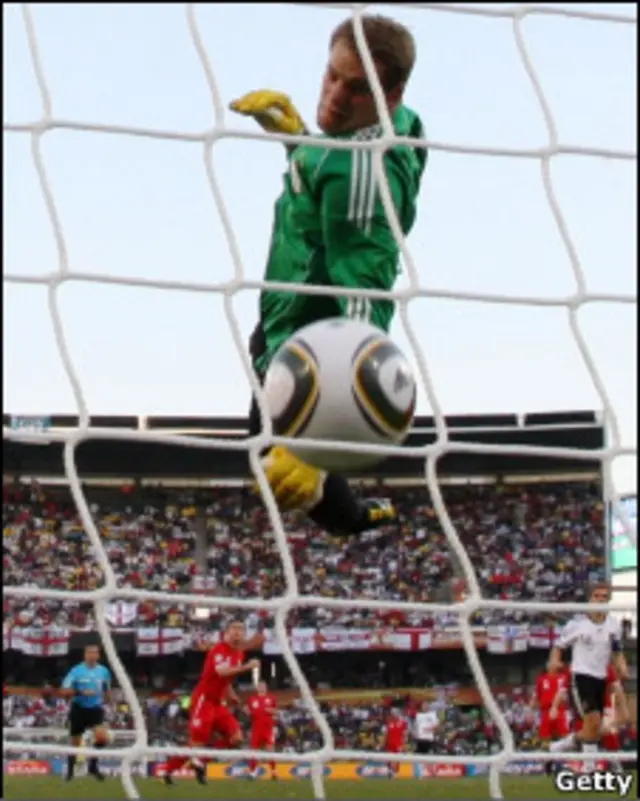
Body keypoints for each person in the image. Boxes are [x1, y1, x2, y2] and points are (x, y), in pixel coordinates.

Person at [230, 14, 427, 536]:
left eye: (356, 88)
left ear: (392, 93)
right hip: (286, 314)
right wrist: (301, 142)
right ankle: (349, 512)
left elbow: (365, 302)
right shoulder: (388, 131)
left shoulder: (362, 168)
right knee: (263, 454)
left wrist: (319, 446)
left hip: (307, 346)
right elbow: (340, 203)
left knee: (274, 465)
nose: (335, 96)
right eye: (331, 75)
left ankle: (358, 518)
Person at [162, 620, 260, 786]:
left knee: (236, 738)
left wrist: (232, 694)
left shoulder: (238, 653)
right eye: (234, 628)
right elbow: (221, 672)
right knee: (196, 743)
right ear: (226, 633)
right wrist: (247, 667)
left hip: (218, 702)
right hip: (203, 699)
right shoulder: (219, 649)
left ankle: (200, 763)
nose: (238, 632)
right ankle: (168, 770)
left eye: (241, 629)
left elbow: (226, 679)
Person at [548, 581, 629, 771]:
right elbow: (559, 646)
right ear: (590, 598)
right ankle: (589, 769)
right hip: (581, 677)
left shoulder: (613, 626)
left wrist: (622, 667)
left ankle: (560, 746)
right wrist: (554, 660)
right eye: (597, 596)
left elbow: (617, 652)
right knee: (592, 721)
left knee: (594, 729)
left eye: (604, 597)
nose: (600, 600)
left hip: (601, 679)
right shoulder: (577, 624)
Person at [59, 643, 112, 782]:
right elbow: (64, 690)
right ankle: (70, 772)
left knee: (102, 738)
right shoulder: (76, 671)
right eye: (90, 653)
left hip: (95, 709)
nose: (92, 655)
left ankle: (93, 766)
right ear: (85, 655)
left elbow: (107, 688)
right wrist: (80, 692)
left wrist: (107, 698)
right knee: (75, 742)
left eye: (95, 653)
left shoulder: (104, 671)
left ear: (98, 655)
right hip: (79, 709)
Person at [532, 665, 570, 774]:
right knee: (545, 738)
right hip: (545, 711)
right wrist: (532, 708)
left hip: (561, 710)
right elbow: (537, 696)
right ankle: (548, 764)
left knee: (563, 737)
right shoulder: (541, 679)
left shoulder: (563, 677)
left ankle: (561, 763)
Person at [246, 680, 278, 780]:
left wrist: (271, 711)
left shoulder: (271, 698)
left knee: (270, 750)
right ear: (257, 688)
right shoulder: (252, 699)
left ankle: (273, 772)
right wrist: (247, 712)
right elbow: (248, 712)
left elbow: (276, 712)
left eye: (263, 686)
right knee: (254, 751)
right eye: (260, 686)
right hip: (256, 728)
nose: (262, 687)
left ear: (266, 687)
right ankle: (253, 772)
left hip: (268, 728)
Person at [383, 707, 408, 778]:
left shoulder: (403, 723)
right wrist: (384, 743)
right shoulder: (389, 722)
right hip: (389, 744)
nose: (394, 715)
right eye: (392, 713)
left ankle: (394, 773)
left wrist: (404, 744)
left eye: (395, 713)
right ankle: (390, 772)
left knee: (396, 759)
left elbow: (405, 734)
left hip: (398, 744)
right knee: (389, 759)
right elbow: (386, 734)